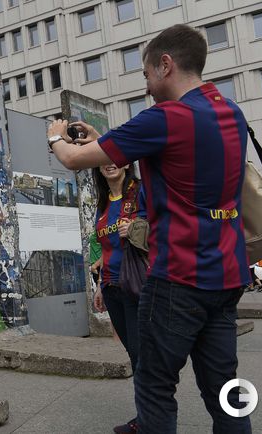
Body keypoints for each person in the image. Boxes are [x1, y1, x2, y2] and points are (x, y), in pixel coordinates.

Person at [45, 24, 251, 433]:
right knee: (225, 389)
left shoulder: (167, 118)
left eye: (146, 75)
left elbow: (71, 159)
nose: (146, 86)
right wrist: (102, 138)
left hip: (178, 278)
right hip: (228, 274)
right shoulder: (231, 112)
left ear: (165, 65)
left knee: (155, 386)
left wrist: (55, 136)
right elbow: (171, 155)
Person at [91, 162, 146, 433]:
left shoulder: (139, 193)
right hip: (112, 287)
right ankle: (146, 416)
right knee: (134, 355)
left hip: (136, 285)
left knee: (141, 354)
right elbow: (107, 249)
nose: (110, 163)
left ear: (126, 162)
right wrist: (100, 286)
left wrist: (136, 228)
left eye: (115, 157)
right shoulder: (103, 203)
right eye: (103, 159)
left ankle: (150, 419)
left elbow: (162, 229)